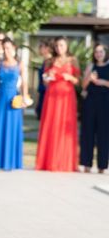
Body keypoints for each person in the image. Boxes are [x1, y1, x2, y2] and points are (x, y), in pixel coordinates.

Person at [36, 36, 80, 172]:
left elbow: (78, 80)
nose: (59, 48)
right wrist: (49, 77)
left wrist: (70, 77)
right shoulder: (50, 61)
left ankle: (64, 161)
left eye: (61, 45)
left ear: (66, 46)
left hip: (67, 97)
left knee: (64, 127)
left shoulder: (73, 60)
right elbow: (44, 81)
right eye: (57, 46)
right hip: (52, 96)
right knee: (52, 125)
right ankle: (49, 161)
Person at [0, 37, 29, 171]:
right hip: (0, 98)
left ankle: (10, 162)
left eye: (8, 48)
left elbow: (25, 83)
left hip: (13, 99)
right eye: (4, 48)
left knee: (11, 128)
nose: (6, 51)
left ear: (14, 48)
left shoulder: (19, 64)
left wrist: (24, 98)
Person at [80, 43, 109, 173]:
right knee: (88, 132)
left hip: (105, 103)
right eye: (96, 52)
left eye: (101, 52)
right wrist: (89, 78)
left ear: (106, 53)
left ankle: (102, 166)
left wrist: (103, 82)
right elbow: (83, 86)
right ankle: (86, 164)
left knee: (104, 134)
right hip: (90, 102)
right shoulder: (91, 66)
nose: (98, 54)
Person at [35, 39, 53, 120]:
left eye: (41, 47)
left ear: (47, 48)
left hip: (48, 94)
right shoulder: (44, 61)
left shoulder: (51, 61)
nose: (39, 49)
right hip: (42, 93)